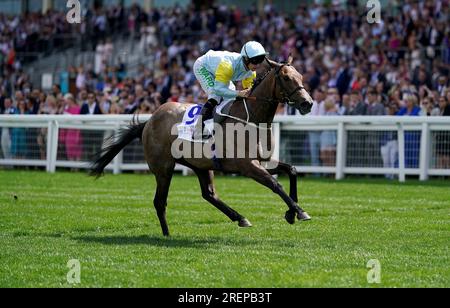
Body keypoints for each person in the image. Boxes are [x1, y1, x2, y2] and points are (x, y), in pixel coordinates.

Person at [193, 41, 268, 137]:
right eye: (255, 61)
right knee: (215, 95)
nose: (257, 65)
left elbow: (249, 91)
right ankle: (198, 129)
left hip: (219, 70)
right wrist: (238, 93)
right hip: (203, 67)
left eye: (260, 60)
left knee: (231, 98)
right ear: (245, 59)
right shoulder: (227, 66)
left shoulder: (251, 72)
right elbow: (219, 90)